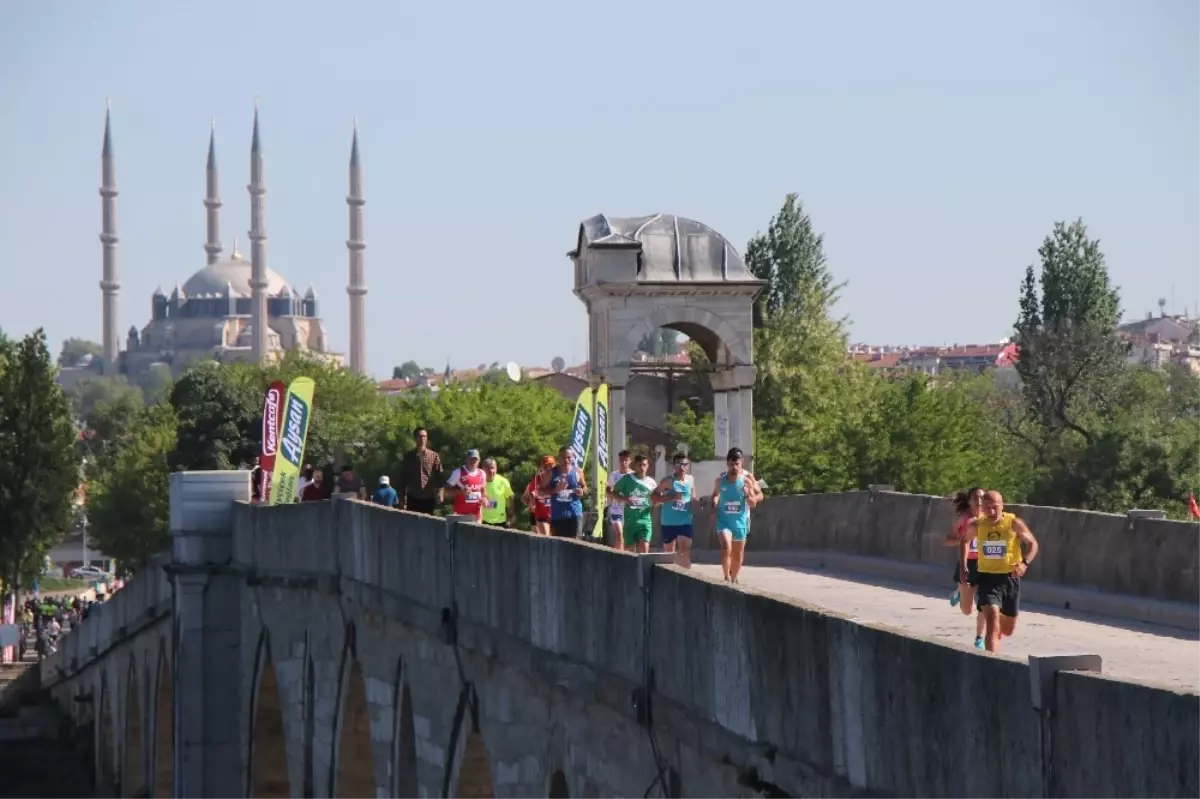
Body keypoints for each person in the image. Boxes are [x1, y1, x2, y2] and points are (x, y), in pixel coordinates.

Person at [963, 490, 1039, 653]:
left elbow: (1033, 544)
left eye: (995, 508)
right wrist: (964, 565)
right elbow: (965, 540)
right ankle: (993, 663)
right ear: (982, 507)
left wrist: (1024, 563)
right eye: (987, 508)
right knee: (992, 620)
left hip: (1009, 579)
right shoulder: (977, 525)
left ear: (1002, 506)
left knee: (1007, 629)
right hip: (987, 579)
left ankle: (997, 635)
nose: (991, 512)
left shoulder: (1014, 523)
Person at [711, 447, 762, 584]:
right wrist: (714, 504)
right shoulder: (720, 480)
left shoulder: (747, 480)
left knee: (738, 554)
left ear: (742, 463)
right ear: (727, 463)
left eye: (737, 464)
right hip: (724, 521)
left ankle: (734, 578)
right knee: (726, 546)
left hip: (740, 521)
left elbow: (754, 502)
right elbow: (715, 494)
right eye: (731, 464)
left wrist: (746, 494)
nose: (734, 467)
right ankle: (726, 577)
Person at [944, 486, 986, 649]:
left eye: (982, 498)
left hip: (985, 564)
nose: (979, 501)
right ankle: (959, 592)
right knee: (967, 610)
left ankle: (979, 638)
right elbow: (948, 539)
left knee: (985, 602)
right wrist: (963, 540)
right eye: (975, 498)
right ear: (969, 501)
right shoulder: (963, 519)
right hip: (967, 563)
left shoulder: (989, 518)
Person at [611, 453, 660, 553]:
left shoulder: (652, 483)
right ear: (635, 466)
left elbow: (656, 500)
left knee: (644, 548)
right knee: (630, 553)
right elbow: (612, 493)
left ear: (648, 466)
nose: (642, 467)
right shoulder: (627, 479)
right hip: (630, 521)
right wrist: (625, 499)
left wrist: (656, 503)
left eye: (644, 465)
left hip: (645, 521)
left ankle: (643, 569)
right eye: (639, 465)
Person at [656, 452, 695, 568]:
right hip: (669, 522)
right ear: (674, 466)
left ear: (688, 466)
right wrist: (671, 498)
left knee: (685, 547)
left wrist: (696, 502)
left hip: (685, 521)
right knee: (669, 553)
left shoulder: (691, 479)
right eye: (678, 464)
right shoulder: (668, 481)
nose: (682, 467)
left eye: (684, 464)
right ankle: (670, 573)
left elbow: (693, 496)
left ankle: (686, 576)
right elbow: (654, 496)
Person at [540, 446, 588, 538]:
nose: (566, 460)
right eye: (563, 457)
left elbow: (585, 487)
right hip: (558, 515)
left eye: (569, 457)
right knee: (559, 546)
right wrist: (555, 490)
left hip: (575, 513)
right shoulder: (551, 473)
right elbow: (540, 491)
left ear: (572, 457)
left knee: (576, 544)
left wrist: (582, 491)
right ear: (559, 458)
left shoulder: (578, 471)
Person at [398, 428, 444, 514]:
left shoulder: (434, 456)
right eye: (420, 436)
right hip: (413, 496)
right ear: (415, 438)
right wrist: (402, 498)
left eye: (424, 436)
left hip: (428, 496)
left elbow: (439, 476)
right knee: (413, 524)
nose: (422, 439)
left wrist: (440, 492)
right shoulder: (409, 456)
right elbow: (404, 477)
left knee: (428, 523)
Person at [445, 449, 488, 521]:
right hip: (461, 515)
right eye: (471, 459)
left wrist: (485, 499)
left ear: (479, 460)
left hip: (476, 516)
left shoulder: (482, 473)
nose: (473, 461)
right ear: (466, 459)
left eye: (475, 459)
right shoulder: (458, 472)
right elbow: (445, 492)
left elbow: (483, 491)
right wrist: (461, 492)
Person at [604, 450, 633, 549]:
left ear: (630, 461)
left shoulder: (633, 475)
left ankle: (626, 556)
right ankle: (618, 556)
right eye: (621, 460)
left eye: (626, 460)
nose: (623, 463)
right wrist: (616, 496)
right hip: (616, 509)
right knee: (619, 534)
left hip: (629, 510)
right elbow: (608, 491)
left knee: (627, 536)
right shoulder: (614, 475)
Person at [523, 456, 555, 534]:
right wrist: (531, 503)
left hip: (555, 514)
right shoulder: (536, 480)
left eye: (550, 465)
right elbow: (525, 497)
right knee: (545, 537)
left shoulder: (557, 479)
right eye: (546, 466)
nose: (548, 468)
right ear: (541, 468)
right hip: (540, 515)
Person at [481, 457, 515, 528]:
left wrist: (511, 517)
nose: (491, 471)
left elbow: (510, 499)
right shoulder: (479, 481)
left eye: (493, 468)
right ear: (482, 469)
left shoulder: (503, 481)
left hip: (500, 522)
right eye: (488, 468)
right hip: (482, 521)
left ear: (496, 468)